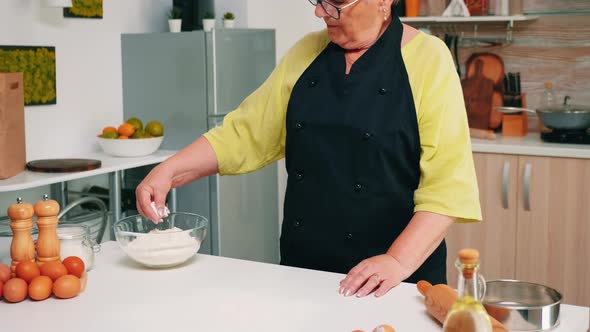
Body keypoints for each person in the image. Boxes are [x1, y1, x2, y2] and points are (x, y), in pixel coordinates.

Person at [135, 0, 481, 298]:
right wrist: (170, 169)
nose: (320, 12)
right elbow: (246, 132)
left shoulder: (429, 59)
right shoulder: (306, 52)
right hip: (305, 271)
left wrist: (397, 261)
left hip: (395, 281)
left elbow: (447, 188)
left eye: (336, 2)